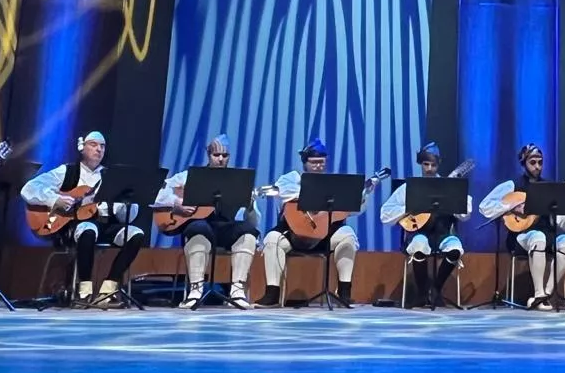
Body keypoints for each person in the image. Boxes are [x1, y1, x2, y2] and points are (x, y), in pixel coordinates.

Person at [20, 131, 148, 306]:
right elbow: (29, 188)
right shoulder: (68, 171)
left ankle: (109, 288)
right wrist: (55, 200)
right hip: (74, 226)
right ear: (82, 147)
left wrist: (126, 204)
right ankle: (84, 290)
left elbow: (127, 216)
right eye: (93, 145)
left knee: (136, 234)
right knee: (88, 229)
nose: (99, 149)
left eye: (102, 146)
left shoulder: (112, 177)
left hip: (105, 225)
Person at [153, 135, 261, 308]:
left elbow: (254, 221)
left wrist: (250, 206)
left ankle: (237, 290)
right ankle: (195, 290)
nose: (221, 159)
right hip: (200, 226)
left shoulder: (237, 182)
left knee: (248, 231)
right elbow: (158, 195)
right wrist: (176, 203)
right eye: (216, 155)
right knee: (198, 228)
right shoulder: (188, 177)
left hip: (224, 228)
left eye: (225, 156)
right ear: (208, 155)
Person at [258, 139, 363, 307]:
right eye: (314, 162)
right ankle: (272, 294)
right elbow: (282, 191)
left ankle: (344, 292)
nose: (318, 166)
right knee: (272, 239)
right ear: (305, 163)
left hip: (325, 238)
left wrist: (363, 195)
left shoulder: (334, 184)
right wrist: (314, 194)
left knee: (348, 235)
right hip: (294, 235)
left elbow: (354, 209)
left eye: (321, 162)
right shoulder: (291, 179)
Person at [478, 144, 565, 311]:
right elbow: (484, 206)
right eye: (533, 162)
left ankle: (546, 293)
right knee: (538, 238)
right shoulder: (512, 185)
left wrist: (563, 206)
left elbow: (564, 224)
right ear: (524, 163)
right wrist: (512, 206)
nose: (537, 166)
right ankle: (538, 293)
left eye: (540, 162)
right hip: (520, 237)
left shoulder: (549, 187)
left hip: (547, 234)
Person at [379, 142, 470, 308]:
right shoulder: (409, 187)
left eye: (433, 165)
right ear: (420, 164)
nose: (429, 169)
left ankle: (436, 289)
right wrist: (409, 208)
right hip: (418, 233)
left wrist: (453, 198)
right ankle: (422, 293)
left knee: (455, 249)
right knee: (419, 245)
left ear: (438, 165)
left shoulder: (448, 186)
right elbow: (385, 214)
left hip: (443, 233)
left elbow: (466, 214)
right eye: (426, 164)